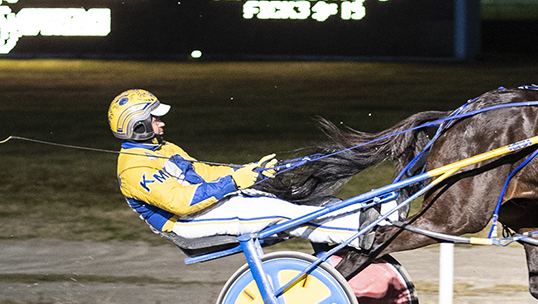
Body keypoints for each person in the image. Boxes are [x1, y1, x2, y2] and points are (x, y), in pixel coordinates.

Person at [108, 88, 383, 249]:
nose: (162, 123)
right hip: (186, 225)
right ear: (138, 124)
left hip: (205, 210)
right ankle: (357, 231)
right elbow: (181, 202)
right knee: (278, 212)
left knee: (290, 200)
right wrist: (234, 183)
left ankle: (363, 216)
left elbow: (202, 172)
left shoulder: (164, 148)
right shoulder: (133, 170)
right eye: (155, 118)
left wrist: (248, 171)